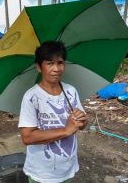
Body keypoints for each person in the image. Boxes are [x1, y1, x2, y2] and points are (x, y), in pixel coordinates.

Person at [18, 41, 88, 183]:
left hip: (67, 168)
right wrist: (66, 130)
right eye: (50, 63)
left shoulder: (71, 91)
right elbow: (27, 137)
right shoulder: (31, 97)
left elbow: (81, 124)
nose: (56, 68)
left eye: (60, 63)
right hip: (42, 173)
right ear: (39, 67)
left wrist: (82, 121)